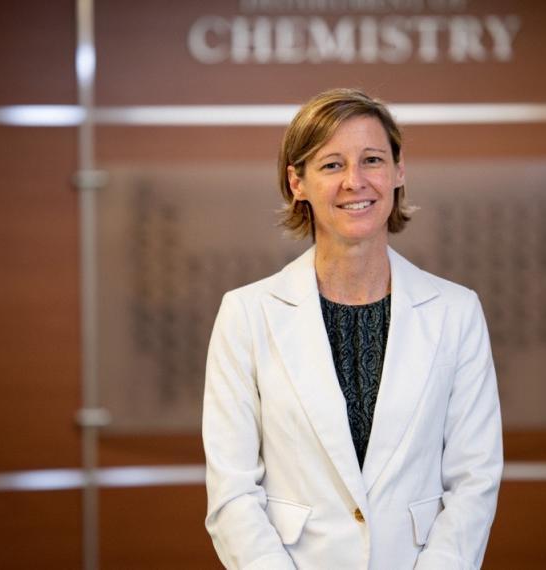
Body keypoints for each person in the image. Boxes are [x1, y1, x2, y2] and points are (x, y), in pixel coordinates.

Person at [203, 88, 503, 570]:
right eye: (331, 165)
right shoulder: (246, 314)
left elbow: (474, 481)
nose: (355, 181)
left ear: (399, 172)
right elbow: (232, 491)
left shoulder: (456, 312)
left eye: (372, 160)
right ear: (296, 182)